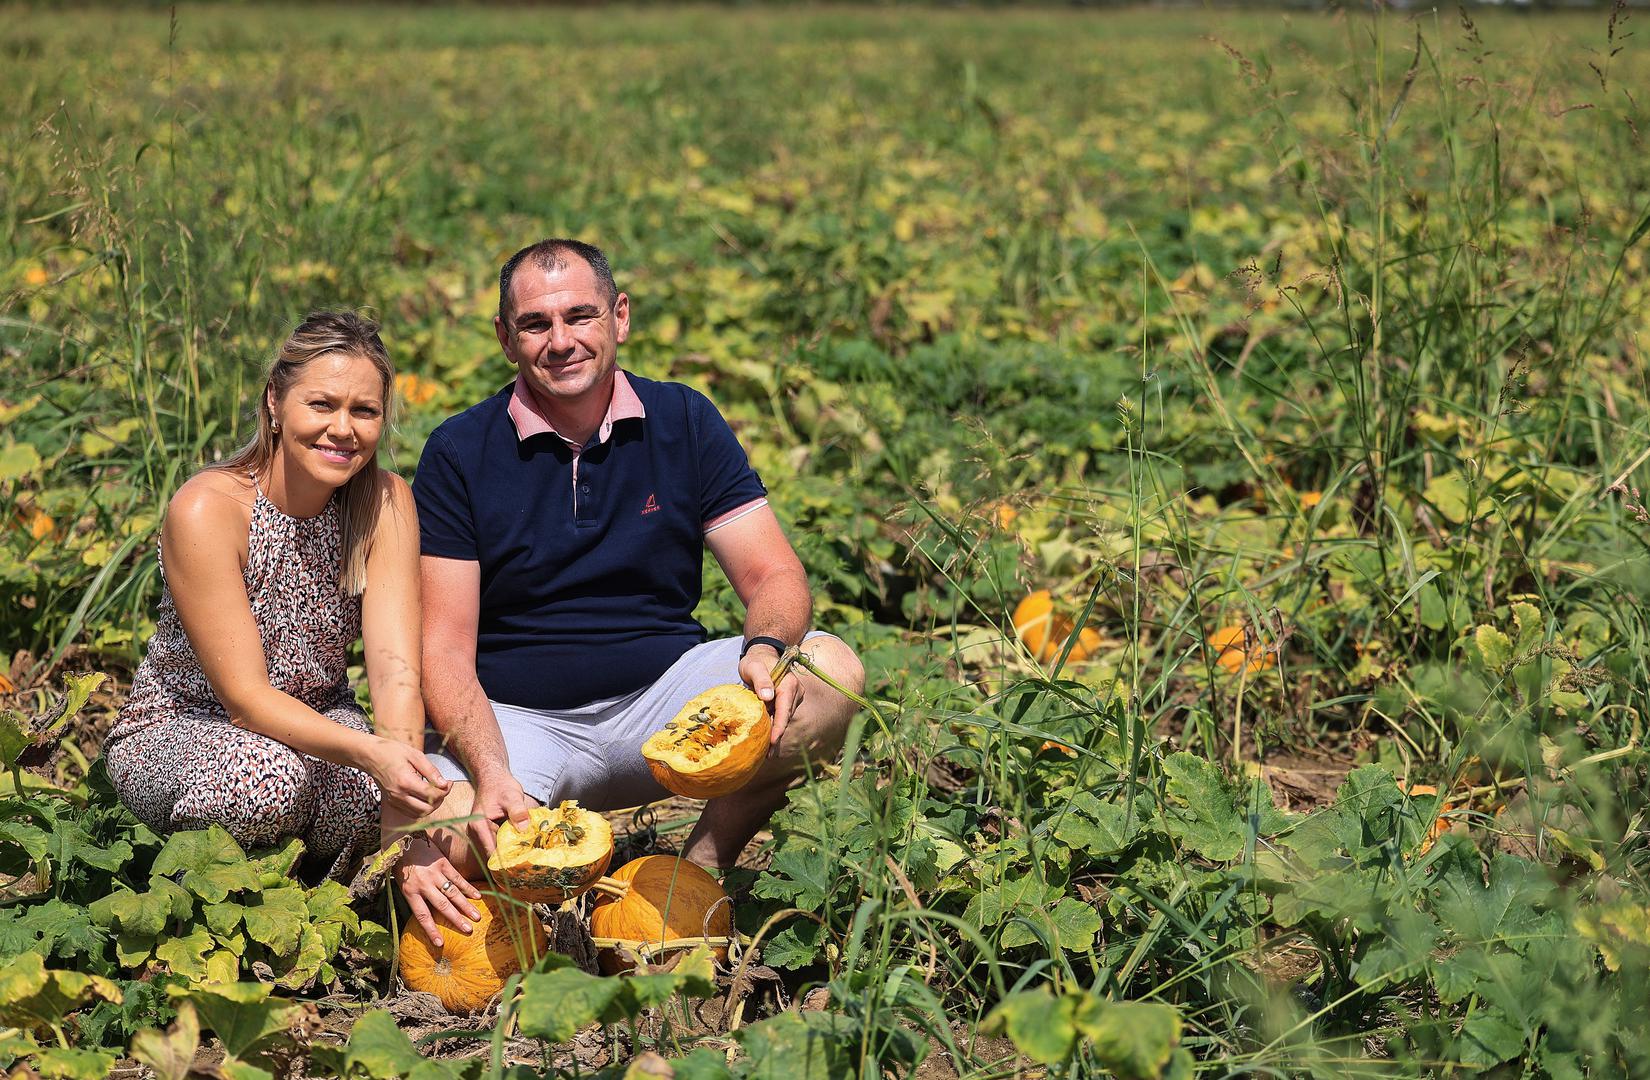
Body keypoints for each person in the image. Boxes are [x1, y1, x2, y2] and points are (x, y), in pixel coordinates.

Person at [400, 239, 864, 942]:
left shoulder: (684, 419)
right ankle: (554, 916)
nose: (561, 341)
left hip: (665, 702)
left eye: (580, 316)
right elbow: (443, 647)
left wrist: (767, 648)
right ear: (505, 338)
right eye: (535, 324)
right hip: (521, 720)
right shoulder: (461, 451)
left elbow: (774, 574)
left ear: (619, 317)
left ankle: (696, 873)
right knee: (443, 840)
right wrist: (491, 772)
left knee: (831, 676)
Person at [104, 312, 459, 885]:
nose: (343, 429)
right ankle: (202, 897)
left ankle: (304, 888)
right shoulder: (209, 509)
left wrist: (403, 810)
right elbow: (245, 700)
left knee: (426, 801)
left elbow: (395, 673)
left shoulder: (384, 502)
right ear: (275, 400)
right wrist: (372, 754)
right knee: (266, 778)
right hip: (187, 727)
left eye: (364, 411)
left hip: (323, 725)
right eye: (322, 405)